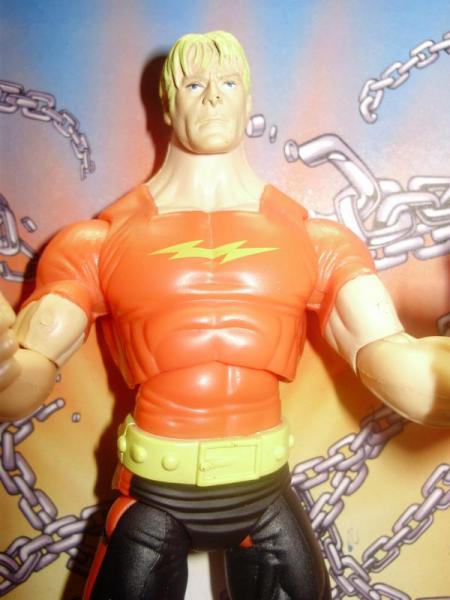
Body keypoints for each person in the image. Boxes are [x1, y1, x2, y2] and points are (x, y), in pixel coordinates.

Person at [0, 31, 449, 600]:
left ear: (248, 98)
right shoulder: (98, 243)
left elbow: (395, 363)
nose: (213, 96)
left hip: (263, 491)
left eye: (228, 83)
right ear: (168, 105)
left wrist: (439, 380)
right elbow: (28, 372)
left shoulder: (315, 241)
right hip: (157, 491)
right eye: (194, 84)